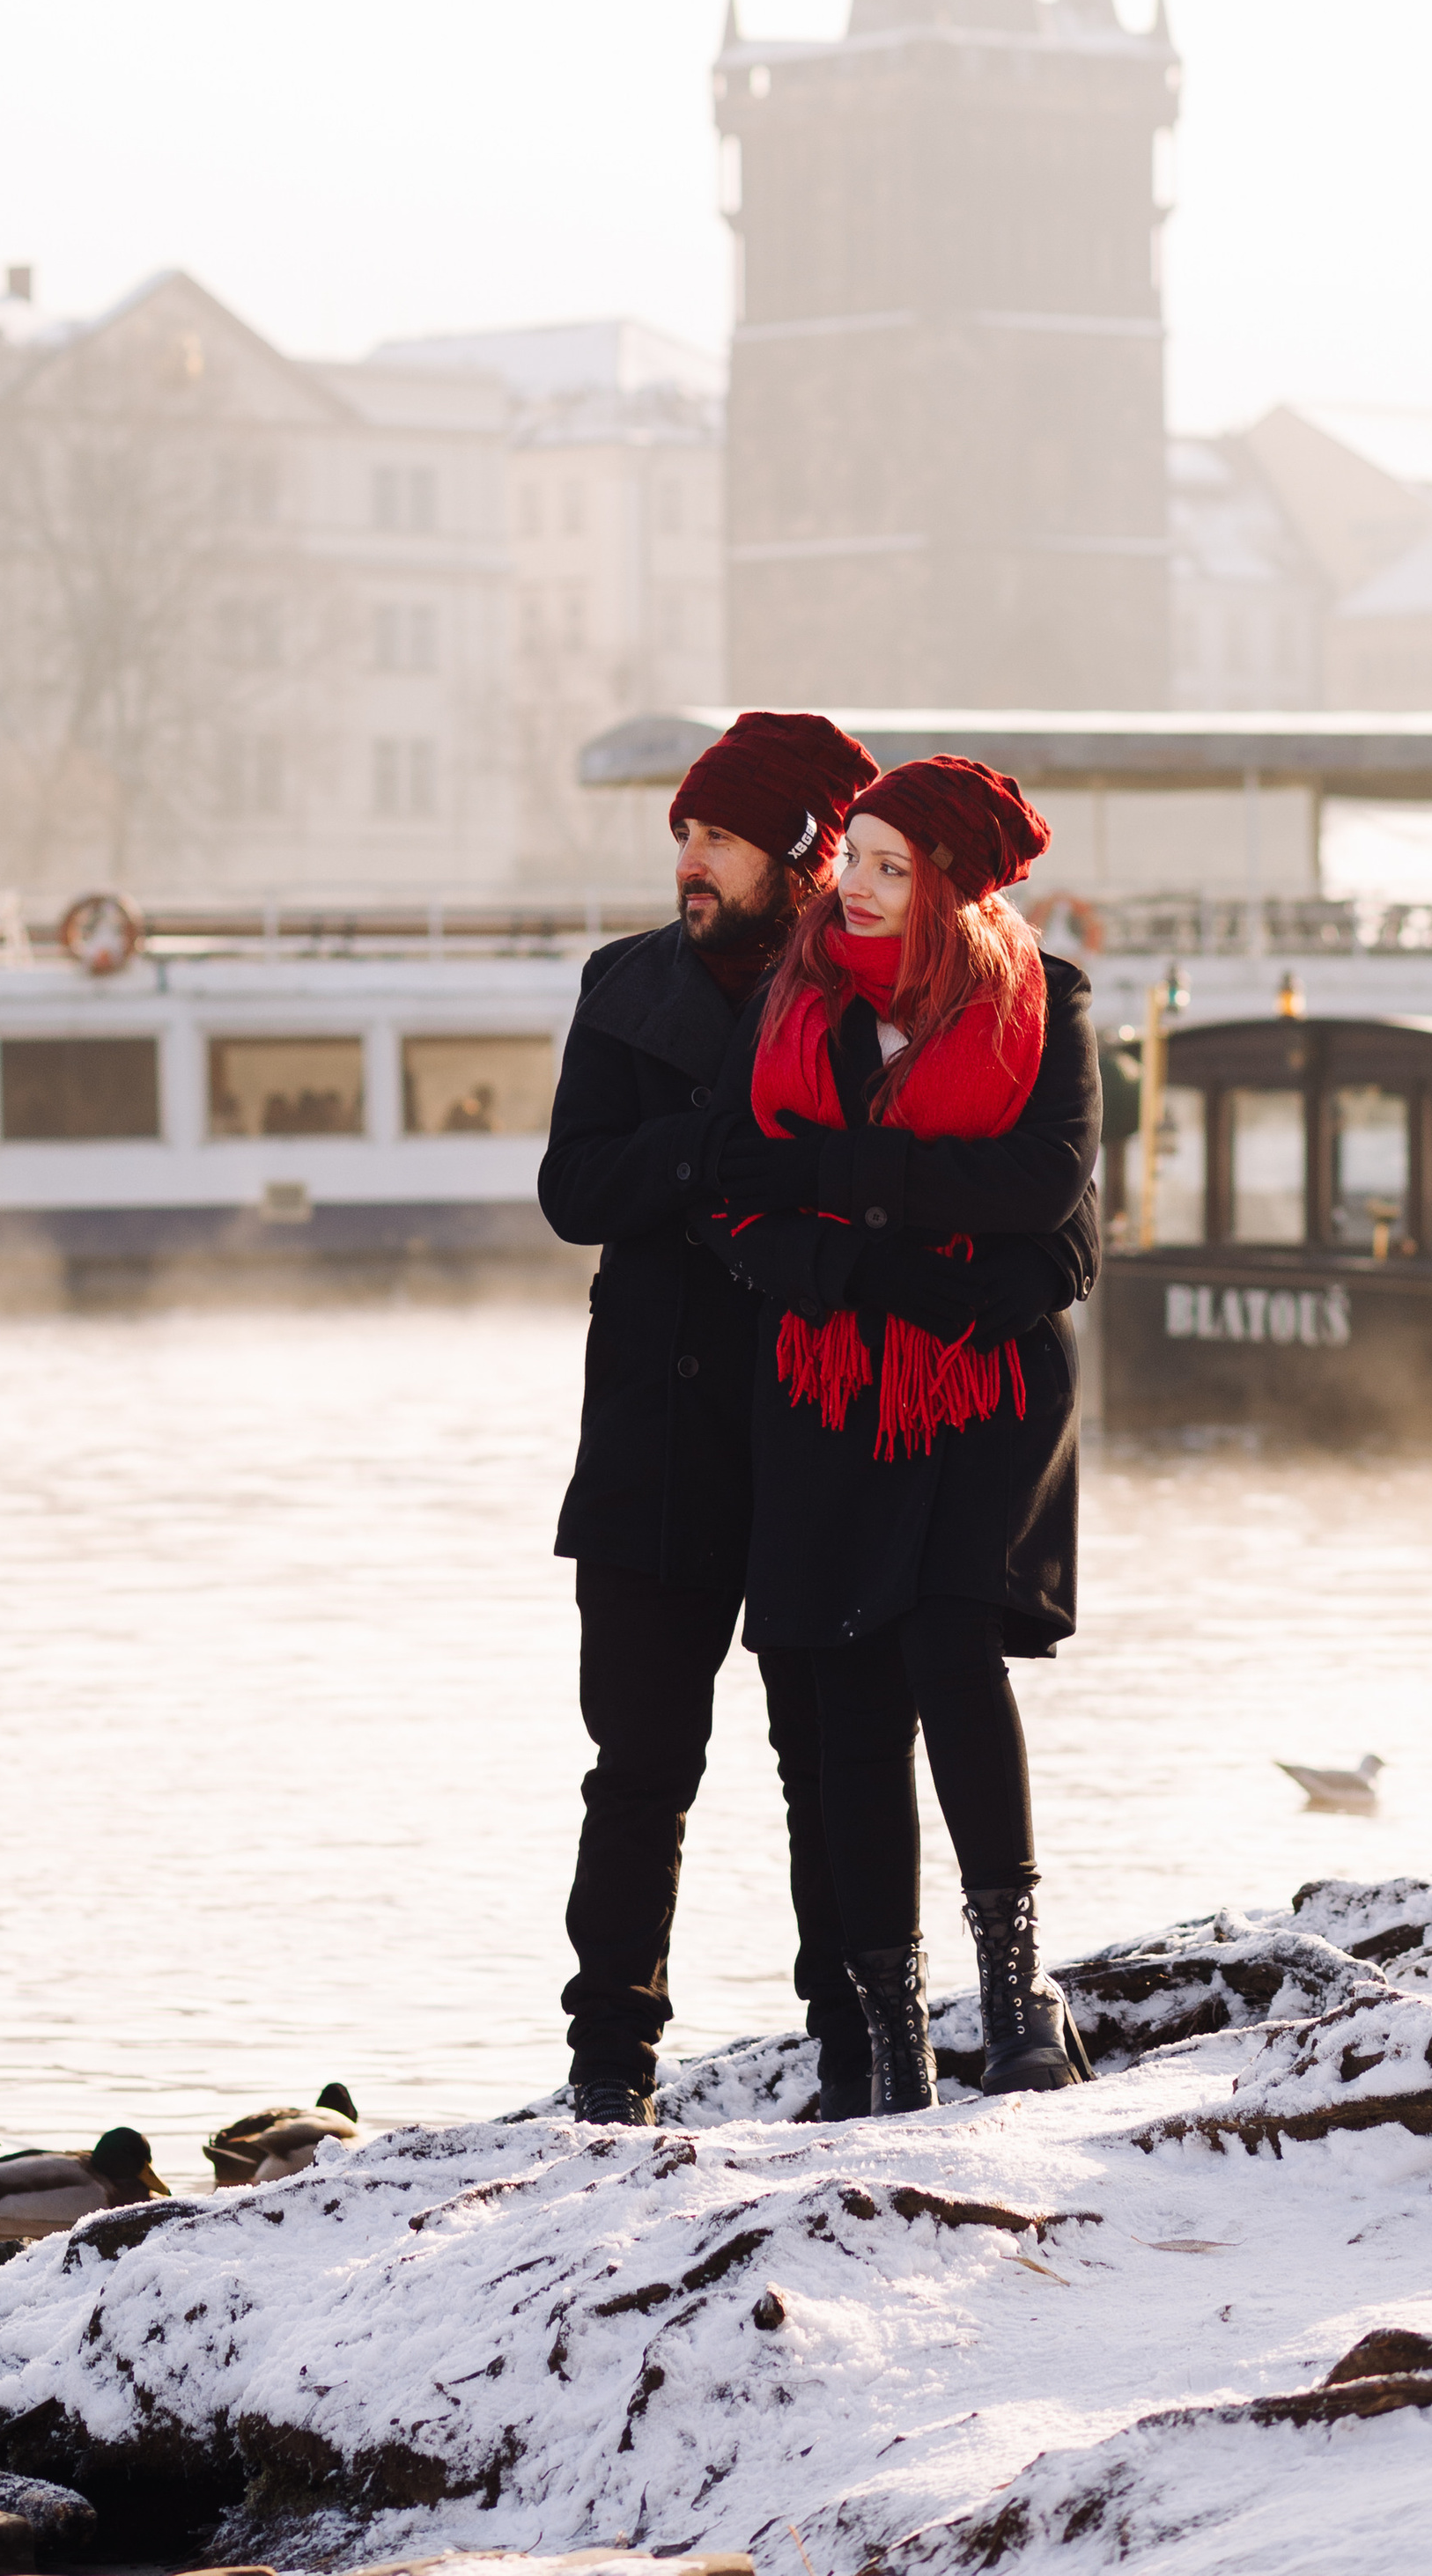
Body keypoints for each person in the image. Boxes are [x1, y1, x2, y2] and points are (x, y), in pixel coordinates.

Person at [705, 756, 1100, 2117]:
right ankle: (886, 2040)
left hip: (979, 1376)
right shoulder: (789, 1005)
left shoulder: (1044, 999)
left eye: (889, 866)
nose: (857, 888)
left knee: (945, 1638)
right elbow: (739, 1208)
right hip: (826, 1382)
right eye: (850, 860)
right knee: (850, 1687)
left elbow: (1043, 1184)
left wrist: (835, 1184)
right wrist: (870, 1258)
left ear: (946, 884)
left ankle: (1014, 1986)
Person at [538, 709, 881, 2124]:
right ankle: (609, 2065)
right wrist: (715, 1146)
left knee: (831, 1756)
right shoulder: (623, 987)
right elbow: (575, 1194)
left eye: (721, 836)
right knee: (638, 1769)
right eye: (684, 832)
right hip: (652, 1441)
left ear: (801, 854)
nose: (691, 860)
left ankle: (852, 2041)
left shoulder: (868, 1001)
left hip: (812, 1429)